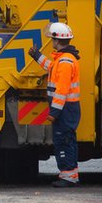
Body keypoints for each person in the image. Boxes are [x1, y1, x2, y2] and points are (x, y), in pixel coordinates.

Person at [28, 21, 81, 188]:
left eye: (52, 39)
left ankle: (69, 177)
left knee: (63, 141)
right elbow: (51, 68)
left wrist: (55, 112)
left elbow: (62, 90)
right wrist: (37, 56)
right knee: (66, 140)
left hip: (65, 110)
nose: (51, 41)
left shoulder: (65, 62)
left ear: (57, 41)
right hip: (67, 109)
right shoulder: (63, 60)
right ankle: (70, 175)